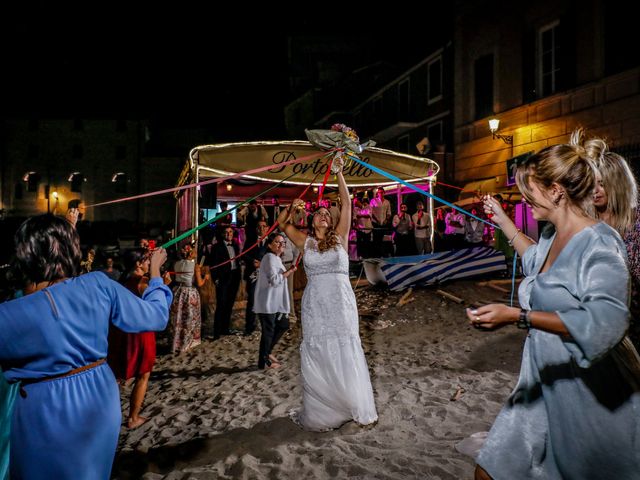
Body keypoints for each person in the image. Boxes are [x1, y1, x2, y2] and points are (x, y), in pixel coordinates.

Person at [469, 131, 640, 479]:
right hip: (540, 381)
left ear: (556, 191)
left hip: (585, 387)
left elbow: (606, 320)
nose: (524, 199)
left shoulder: (600, 244)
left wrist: (520, 316)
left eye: (529, 192)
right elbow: (536, 263)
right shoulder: (550, 237)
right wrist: (502, 219)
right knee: (489, 471)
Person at [0, 214, 171, 480]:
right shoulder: (98, 284)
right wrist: (156, 273)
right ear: (71, 249)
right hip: (100, 398)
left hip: (46, 407)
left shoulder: (9, 314)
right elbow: (157, 316)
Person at [278, 159, 378, 431]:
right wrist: (293, 206)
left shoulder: (342, 238)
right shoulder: (305, 242)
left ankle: (348, 404)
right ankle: (324, 411)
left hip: (340, 301)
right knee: (319, 349)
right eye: (318, 212)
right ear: (311, 220)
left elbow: (347, 204)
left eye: (326, 212)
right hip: (314, 304)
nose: (323, 214)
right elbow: (282, 224)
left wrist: (339, 173)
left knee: (344, 347)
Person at [107, 248, 158, 429]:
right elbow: (156, 306)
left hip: (123, 330)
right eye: (146, 260)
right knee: (143, 375)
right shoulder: (143, 283)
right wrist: (162, 283)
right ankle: (133, 417)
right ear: (138, 264)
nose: (149, 263)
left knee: (118, 374)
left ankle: (107, 416)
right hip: (141, 332)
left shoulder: (122, 281)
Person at [254, 232, 296, 369]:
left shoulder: (276, 258)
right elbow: (274, 280)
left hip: (275, 302)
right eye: (277, 242)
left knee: (283, 325)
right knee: (268, 331)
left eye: (282, 242)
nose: (281, 245)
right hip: (267, 302)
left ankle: (266, 353)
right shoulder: (270, 257)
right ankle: (264, 360)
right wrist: (289, 272)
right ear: (270, 245)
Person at [168, 243, 202, 354]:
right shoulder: (195, 266)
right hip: (189, 292)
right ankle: (186, 343)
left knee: (177, 319)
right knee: (189, 319)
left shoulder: (176, 264)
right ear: (190, 252)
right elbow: (200, 283)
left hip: (177, 292)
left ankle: (176, 343)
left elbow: (173, 278)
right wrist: (205, 277)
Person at [210, 226, 242, 339]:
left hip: (234, 277)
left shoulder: (236, 245)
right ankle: (217, 332)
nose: (228, 234)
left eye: (230, 232)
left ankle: (225, 328)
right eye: (226, 232)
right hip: (223, 278)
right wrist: (216, 279)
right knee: (221, 305)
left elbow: (238, 261)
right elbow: (213, 265)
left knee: (229, 304)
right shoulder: (216, 247)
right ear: (222, 234)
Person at [243, 220, 269, 336]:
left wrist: (262, 263)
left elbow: (275, 256)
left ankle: (265, 326)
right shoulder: (250, 241)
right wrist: (252, 261)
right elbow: (244, 254)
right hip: (252, 275)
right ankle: (249, 327)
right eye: (259, 226)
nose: (261, 228)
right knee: (252, 301)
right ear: (256, 229)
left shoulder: (271, 241)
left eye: (263, 226)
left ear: (267, 228)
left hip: (266, 276)